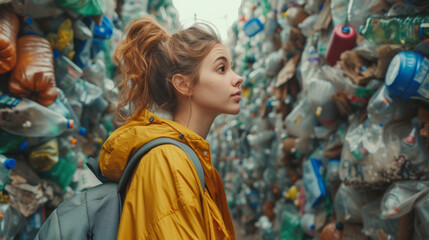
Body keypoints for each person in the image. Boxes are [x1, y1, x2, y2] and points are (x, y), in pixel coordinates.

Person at [98, 16, 243, 239]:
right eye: (222, 68)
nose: (238, 78)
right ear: (183, 84)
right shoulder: (168, 162)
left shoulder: (186, 158)